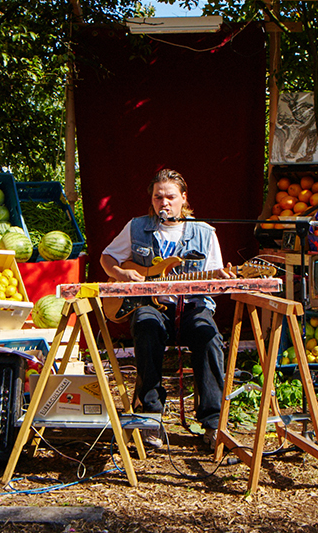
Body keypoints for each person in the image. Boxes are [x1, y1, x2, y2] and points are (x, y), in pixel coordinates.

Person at [100, 168, 232, 450]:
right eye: (158, 197)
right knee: (146, 326)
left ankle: (212, 422)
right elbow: (107, 257)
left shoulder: (204, 232)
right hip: (151, 307)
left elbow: (214, 279)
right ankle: (150, 417)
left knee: (209, 337)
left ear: (184, 198)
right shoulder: (136, 226)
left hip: (193, 307)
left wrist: (215, 282)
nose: (164, 203)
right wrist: (122, 275)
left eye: (170, 196)